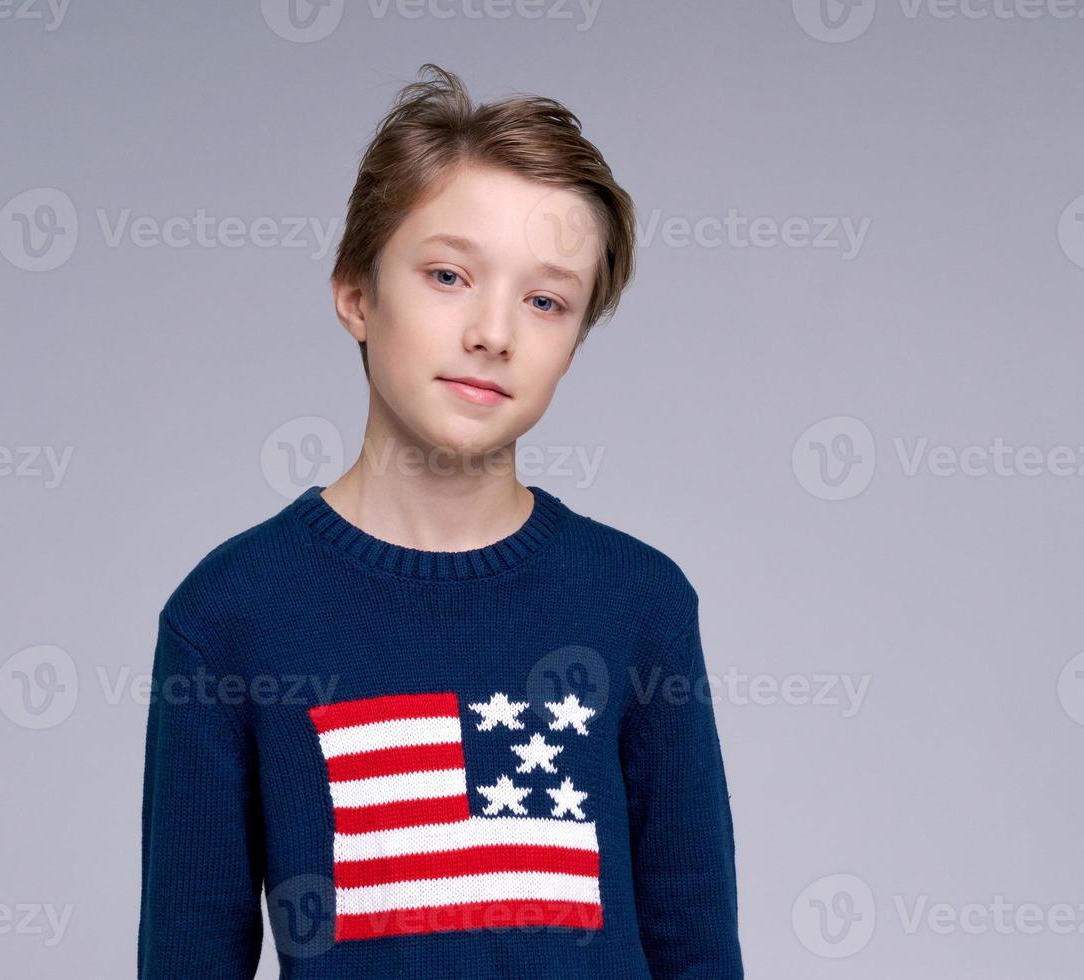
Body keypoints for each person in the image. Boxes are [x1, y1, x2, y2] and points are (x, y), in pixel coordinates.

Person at [137, 63, 744, 979]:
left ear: (572, 345)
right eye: (449, 274)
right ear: (355, 294)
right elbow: (188, 955)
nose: (493, 331)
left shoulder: (640, 602)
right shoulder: (229, 614)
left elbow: (695, 942)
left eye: (545, 301)